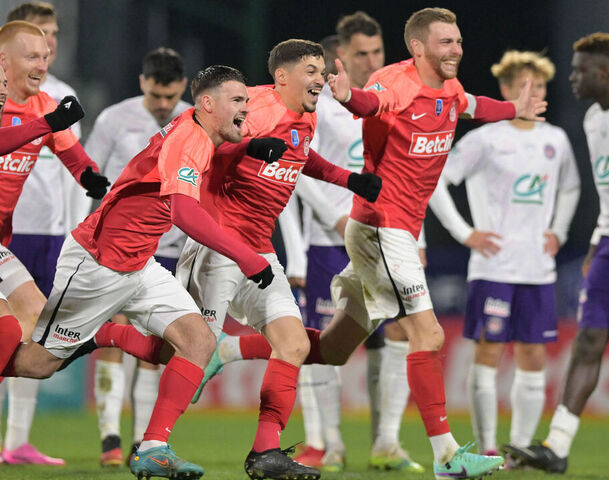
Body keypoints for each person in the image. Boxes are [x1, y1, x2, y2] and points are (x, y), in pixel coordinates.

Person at [201, 7, 548, 479]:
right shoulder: (397, 81)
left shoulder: (448, 88)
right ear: (419, 47)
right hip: (381, 227)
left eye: (459, 41)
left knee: (336, 349)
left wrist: (514, 110)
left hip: (395, 230)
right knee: (427, 334)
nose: (457, 50)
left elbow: (473, 105)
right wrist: (348, 97)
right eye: (446, 42)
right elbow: (369, 103)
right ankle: (447, 457)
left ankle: (228, 350)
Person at [0, 64, 285, 480]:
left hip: (139, 263)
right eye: (238, 100)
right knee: (38, 364)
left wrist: (247, 147)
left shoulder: (197, 131)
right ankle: (103, 335)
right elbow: (184, 211)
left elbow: (197, 165)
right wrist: (246, 256)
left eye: (246, 99)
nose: (246, 107)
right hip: (96, 264)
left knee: (198, 341)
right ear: (208, 104)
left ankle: (153, 447)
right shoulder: (189, 138)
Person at [175, 38, 382, 480]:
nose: (320, 78)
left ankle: (265, 452)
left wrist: (351, 180)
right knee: (183, 350)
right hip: (219, 245)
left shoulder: (304, 119)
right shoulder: (256, 107)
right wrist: (245, 148)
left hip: (260, 251)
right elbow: (202, 142)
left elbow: (303, 161)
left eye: (322, 69)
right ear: (282, 77)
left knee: (295, 344)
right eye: (311, 70)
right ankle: (108, 340)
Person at [428, 50, 580, 463]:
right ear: (507, 90)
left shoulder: (556, 140)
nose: (534, 93)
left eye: (541, 86)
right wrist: (464, 233)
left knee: (533, 352)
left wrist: (560, 230)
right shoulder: (485, 139)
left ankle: (521, 450)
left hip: (538, 269)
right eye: (524, 86)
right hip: (493, 265)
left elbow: (569, 188)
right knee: (490, 351)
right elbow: (437, 181)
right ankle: (490, 447)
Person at [291, 12, 425, 473]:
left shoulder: (398, 98)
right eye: (361, 53)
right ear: (340, 56)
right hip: (331, 238)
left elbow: (412, 172)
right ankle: (329, 444)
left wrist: (417, 232)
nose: (371, 61)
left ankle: (386, 442)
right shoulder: (320, 104)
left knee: (396, 335)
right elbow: (297, 164)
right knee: (329, 340)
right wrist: (332, 215)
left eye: (377, 52)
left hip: (390, 235)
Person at [504, 32, 609, 475]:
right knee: (588, 341)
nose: (572, 77)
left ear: (604, 71)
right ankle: (557, 446)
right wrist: (599, 241)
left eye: (580, 70)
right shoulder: (592, 120)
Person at [84, 46, 190, 467]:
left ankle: (140, 441)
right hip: (117, 246)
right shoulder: (114, 118)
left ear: (182, 86)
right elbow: (89, 180)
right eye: (156, 96)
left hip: (170, 250)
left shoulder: (194, 120)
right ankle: (110, 437)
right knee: (116, 336)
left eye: (170, 97)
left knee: (158, 348)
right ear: (143, 82)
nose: (163, 105)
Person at [1, 2, 87, 466]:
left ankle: (16, 441)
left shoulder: (58, 97)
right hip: (18, 231)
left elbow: (73, 161)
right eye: (37, 41)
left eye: (51, 37)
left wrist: (81, 216)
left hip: (38, 235)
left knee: (35, 323)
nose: (48, 47)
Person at [0, 19, 108, 380]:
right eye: (32, 56)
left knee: (36, 316)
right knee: (8, 330)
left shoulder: (41, 105)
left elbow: (70, 151)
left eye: (45, 57)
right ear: (3, 59)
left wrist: (89, 176)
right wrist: (47, 123)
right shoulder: (37, 115)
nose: (43, 66)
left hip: (2, 242)